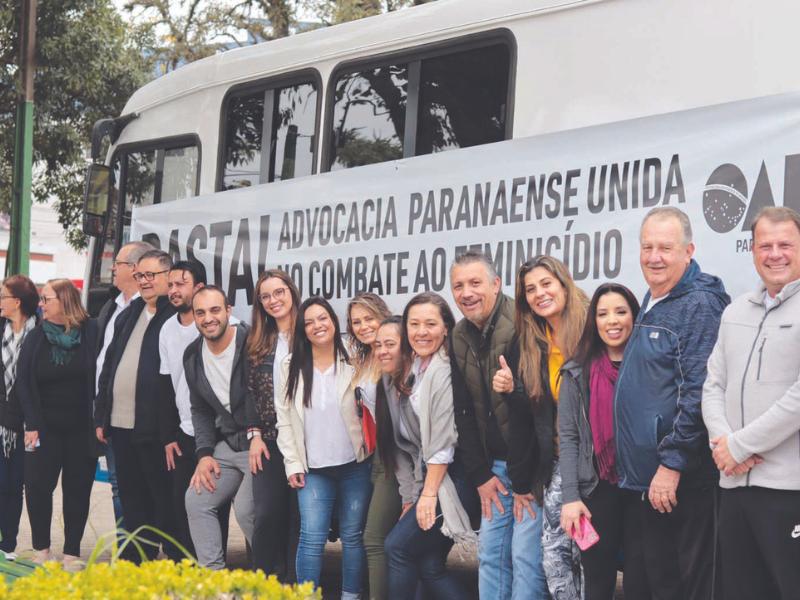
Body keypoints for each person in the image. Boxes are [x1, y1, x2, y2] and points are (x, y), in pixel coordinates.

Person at [615, 206, 729, 599]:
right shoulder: (655, 297)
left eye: (666, 247)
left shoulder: (698, 304)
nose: (654, 257)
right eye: (647, 247)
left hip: (679, 480)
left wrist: (672, 463)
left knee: (679, 585)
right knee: (651, 582)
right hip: (649, 480)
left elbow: (699, 390)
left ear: (689, 251)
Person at [702, 206, 800, 600]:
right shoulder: (734, 312)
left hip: (787, 489)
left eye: (785, 244)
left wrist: (740, 446)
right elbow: (713, 385)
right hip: (732, 486)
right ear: (753, 250)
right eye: (765, 245)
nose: (775, 253)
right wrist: (724, 445)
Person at [449, 250, 546, 599]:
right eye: (458, 286)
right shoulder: (458, 335)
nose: (467, 293)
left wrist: (523, 482)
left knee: (525, 558)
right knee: (490, 556)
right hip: (496, 471)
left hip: (531, 469)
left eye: (475, 283)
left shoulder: (523, 325)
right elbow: (464, 412)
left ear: (496, 284)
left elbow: (533, 413)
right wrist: (480, 475)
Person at [383, 292, 479, 600]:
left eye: (430, 323)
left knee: (397, 547)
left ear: (446, 328)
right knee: (429, 564)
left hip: (456, 479)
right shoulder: (419, 368)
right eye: (414, 324)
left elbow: (442, 444)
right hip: (438, 478)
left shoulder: (443, 370)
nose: (421, 331)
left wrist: (427, 495)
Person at [276, 297, 372, 599]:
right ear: (302, 330)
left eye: (323, 318)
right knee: (311, 538)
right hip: (313, 469)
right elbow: (284, 421)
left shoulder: (354, 358)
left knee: (354, 537)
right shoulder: (289, 366)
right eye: (309, 322)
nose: (317, 326)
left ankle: (350, 595)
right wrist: (292, 464)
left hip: (355, 465)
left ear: (334, 321)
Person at [505, 255, 588, 600]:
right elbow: (537, 415)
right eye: (530, 289)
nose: (539, 294)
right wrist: (514, 391)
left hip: (595, 465)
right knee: (558, 553)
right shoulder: (531, 343)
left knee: (582, 552)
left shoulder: (591, 329)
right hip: (558, 463)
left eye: (546, 284)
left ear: (564, 282)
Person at [95, 248, 182, 561]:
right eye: (140, 275)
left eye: (151, 275)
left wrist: (168, 430)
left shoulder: (173, 316)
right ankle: (135, 563)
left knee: (161, 499)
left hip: (155, 430)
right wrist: (101, 416)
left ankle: (172, 562)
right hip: (119, 425)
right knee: (131, 500)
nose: (144, 281)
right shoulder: (129, 313)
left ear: (167, 277)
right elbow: (109, 367)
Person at [558, 283, 641, 600]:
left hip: (642, 488)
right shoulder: (576, 372)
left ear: (634, 316)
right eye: (603, 314)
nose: (613, 321)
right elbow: (568, 438)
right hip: (595, 489)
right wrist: (570, 497)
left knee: (641, 577)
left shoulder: (648, 364)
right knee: (597, 579)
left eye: (621, 311)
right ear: (593, 321)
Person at [17, 279, 99, 567]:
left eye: (46, 299)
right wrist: (32, 423)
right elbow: (24, 382)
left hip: (81, 429)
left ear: (64, 301)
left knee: (78, 490)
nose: (41, 304)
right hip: (44, 428)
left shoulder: (91, 331)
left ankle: (72, 552)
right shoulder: (37, 336)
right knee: (37, 487)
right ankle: (41, 549)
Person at [183, 286, 255, 570]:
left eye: (215, 310)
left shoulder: (251, 342)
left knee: (248, 510)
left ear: (228, 311)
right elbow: (199, 410)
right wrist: (204, 454)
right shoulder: (192, 356)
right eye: (200, 312)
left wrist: (258, 434)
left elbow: (264, 397)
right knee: (197, 500)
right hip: (227, 445)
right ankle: (214, 581)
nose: (208, 318)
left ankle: (272, 576)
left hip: (261, 444)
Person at [245, 269, 300, 579]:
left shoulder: (309, 332)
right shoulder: (257, 340)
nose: (273, 300)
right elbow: (248, 391)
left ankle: (293, 584)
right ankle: (262, 584)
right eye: (265, 296)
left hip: (306, 442)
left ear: (291, 292)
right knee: (265, 514)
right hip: (268, 439)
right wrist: (254, 435)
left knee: (297, 518)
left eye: (278, 292)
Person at [95, 240, 152, 528]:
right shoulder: (111, 307)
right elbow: (105, 364)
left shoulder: (148, 309)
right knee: (118, 484)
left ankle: (140, 547)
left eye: (117, 263)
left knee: (137, 486)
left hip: (139, 420)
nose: (112, 269)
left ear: (133, 268)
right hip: (111, 414)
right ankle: (126, 545)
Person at [346, 293, 394, 600]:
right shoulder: (362, 359)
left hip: (397, 460)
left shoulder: (396, 354)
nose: (363, 327)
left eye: (369, 318)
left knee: (374, 539)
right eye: (356, 322)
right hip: (374, 459)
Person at [158, 259, 207, 556]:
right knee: (180, 505)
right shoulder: (166, 329)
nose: (173, 291)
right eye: (171, 285)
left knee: (208, 509)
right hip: (183, 432)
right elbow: (166, 384)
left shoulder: (214, 325)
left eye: (181, 284)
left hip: (214, 434)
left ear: (199, 288)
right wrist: (168, 436)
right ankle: (183, 577)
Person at [0, 275, 40, 560]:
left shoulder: (39, 334)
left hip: (26, 426)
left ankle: (9, 544)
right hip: (0, 422)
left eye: (3, 296)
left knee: (14, 485)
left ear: (17, 302)